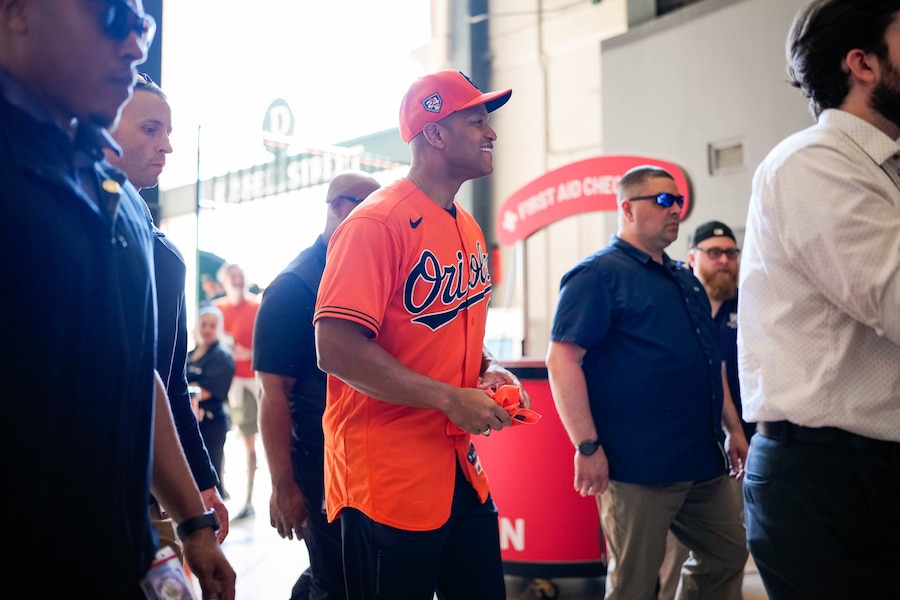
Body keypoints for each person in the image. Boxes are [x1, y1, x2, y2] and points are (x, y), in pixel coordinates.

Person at [0, 1, 235, 598]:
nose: (134, 45)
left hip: (113, 553)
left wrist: (194, 523)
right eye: (111, 17)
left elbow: (137, 376)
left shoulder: (119, 198)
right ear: (17, 13)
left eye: (142, 25)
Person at [313, 69, 530, 599]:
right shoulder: (376, 222)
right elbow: (335, 348)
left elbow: (448, 323)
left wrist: (487, 367)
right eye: (476, 120)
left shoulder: (465, 224)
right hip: (387, 476)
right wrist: (449, 398)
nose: (491, 132)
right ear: (434, 132)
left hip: (458, 468)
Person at [738, 1, 900, 598]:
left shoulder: (885, 170)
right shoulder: (815, 163)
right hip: (833, 480)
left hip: (864, 470)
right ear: (864, 63)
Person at [545, 165, 749, 600]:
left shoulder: (684, 279)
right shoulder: (597, 275)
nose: (675, 209)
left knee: (727, 554)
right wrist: (586, 446)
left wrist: (733, 428)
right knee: (635, 585)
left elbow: (709, 362)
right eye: (662, 200)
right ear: (627, 209)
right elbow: (562, 360)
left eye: (678, 201)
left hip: (702, 460)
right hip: (639, 467)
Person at [105, 71, 229, 559]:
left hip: (140, 484)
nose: (167, 146)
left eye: (168, 132)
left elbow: (166, 382)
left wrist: (202, 484)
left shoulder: (165, 255)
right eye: (150, 129)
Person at [254, 171, 381, 600]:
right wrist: (283, 485)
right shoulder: (293, 288)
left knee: (355, 573)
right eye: (371, 209)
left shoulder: (368, 271)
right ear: (338, 207)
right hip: (319, 463)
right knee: (335, 581)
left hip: (368, 459)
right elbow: (272, 394)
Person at [658, 220, 750, 600]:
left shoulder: (749, 306)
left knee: (728, 551)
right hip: (681, 451)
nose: (725, 260)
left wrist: (737, 432)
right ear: (692, 257)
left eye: (731, 253)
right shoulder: (676, 306)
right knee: (671, 556)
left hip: (739, 450)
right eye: (715, 252)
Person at [214, 262, 261, 520]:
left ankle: (249, 499)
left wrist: (249, 353)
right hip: (225, 382)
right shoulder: (218, 309)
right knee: (224, 439)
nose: (237, 279)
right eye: (232, 275)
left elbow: (269, 343)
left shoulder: (256, 307)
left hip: (252, 381)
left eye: (240, 275)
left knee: (248, 440)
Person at [189, 304, 237, 504]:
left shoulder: (222, 356)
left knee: (210, 475)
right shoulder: (189, 354)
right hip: (192, 423)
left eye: (212, 325)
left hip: (212, 425)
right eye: (204, 324)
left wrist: (187, 389)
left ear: (219, 328)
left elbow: (205, 390)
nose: (207, 329)